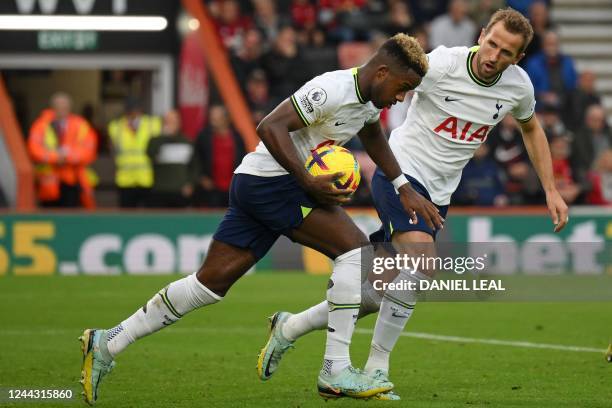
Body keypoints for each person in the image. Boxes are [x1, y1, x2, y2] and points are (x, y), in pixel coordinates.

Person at [79, 33, 443, 404]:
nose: (401, 98)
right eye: (403, 88)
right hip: (274, 184)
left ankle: (108, 341)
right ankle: (335, 369)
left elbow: (373, 136)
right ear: (382, 72)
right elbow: (269, 126)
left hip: (259, 183)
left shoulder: (367, 102)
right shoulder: (331, 89)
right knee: (355, 254)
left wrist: (402, 185)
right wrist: (307, 180)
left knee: (209, 285)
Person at [257, 8, 569, 401]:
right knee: (424, 262)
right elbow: (384, 87)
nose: (494, 56)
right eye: (492, 43)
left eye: (506, 52)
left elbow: (531, 129)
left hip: (439, 194)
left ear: (518, 58)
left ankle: (290, 327)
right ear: (483, 33)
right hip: (401, 175)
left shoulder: (518, 87)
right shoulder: (441, 64)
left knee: (375, 291)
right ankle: (376, 368)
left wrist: (551, 189)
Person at [28, 92, 97, 208]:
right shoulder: (41, 125)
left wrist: (67, 157)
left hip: (72, 180)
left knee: (70, 218)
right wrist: (56, 157)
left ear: (70, 108)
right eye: (58, 107)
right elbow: (33, 149)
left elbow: (89, 150)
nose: (62, 110)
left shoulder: (81, 125)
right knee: (50, 218)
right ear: (52, 108)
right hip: (48, 182)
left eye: (65, 107)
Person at [108, 97, 162, 208]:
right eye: (130, 111)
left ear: (140, 110)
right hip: (125, 179)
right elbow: (113, 150)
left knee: (148, 217)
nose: (133, 114)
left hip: (147, 179)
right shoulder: (116, 127)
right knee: (127, 218)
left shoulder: (153, 124)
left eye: (136, 110)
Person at [193, 105, 246, 207]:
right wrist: (201, 178)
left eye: (217, 119)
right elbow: (196, 159)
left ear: (226, 119)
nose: (213, 122)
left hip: (232, 188)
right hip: (211, 188)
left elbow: (244, 159)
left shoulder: (237, 137)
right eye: (212, 118)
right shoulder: (203, 137)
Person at [146, 110, 197, 208]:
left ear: (179, 123)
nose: (171, 124)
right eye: (168, 121)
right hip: (160, 190)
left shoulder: (187, 141)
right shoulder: (155, 140)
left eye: (174, 121)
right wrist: (164, 136)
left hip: (181, 191)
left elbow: (195, 166)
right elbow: (150, 153)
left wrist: (190, 183)